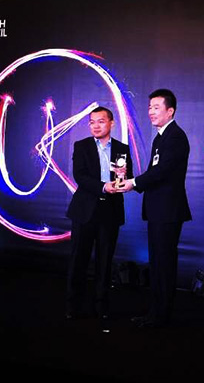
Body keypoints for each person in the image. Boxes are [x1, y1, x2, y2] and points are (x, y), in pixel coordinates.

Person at [119, 89, 192, 328]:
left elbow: (162, 172)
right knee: (157, 263)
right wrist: (131, 180)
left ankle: (161, 316)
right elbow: (154, 172)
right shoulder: (160, 137)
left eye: (156, 107)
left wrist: (134, 182)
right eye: (150, 107)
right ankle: (154, 313)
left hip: (168, 211)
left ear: (170, 111)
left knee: (164, 264)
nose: (151, 111)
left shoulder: (176, 137)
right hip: (157, 210)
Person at [66, 106, 133, 319]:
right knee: (78, 260)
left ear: (112, 123)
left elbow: (127, 176)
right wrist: (104, 186)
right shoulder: (82, 146)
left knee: (105, 261)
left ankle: (101, 305)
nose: (95, 126)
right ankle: (73, 305)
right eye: (92, 122)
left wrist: (123, 179)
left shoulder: (122, 148)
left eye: (101, 121)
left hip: (110, 211)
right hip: (85, 210)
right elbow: (80, 176)